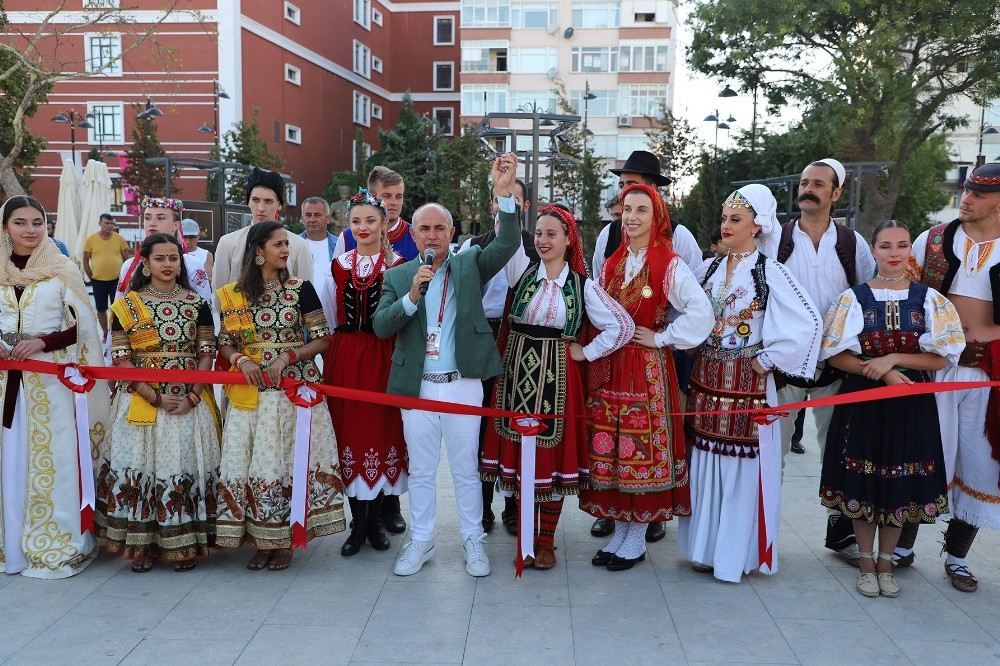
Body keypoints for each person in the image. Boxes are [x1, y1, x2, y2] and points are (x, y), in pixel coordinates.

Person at [373, 152, 523, 578]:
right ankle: (421, 540)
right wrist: (411, 298)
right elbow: (383, 327)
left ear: (452, 233)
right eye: (425, 228)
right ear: (413, 235)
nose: (433, 235)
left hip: (462, 385)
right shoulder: (399, 276)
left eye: (441, 228)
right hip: (417, 387)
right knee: (421, 471)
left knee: (465, 470)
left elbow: (508, 244)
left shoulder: (469, 265)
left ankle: (473, 539)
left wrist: (503, 194)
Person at [679, 184, 822, 582]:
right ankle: (704, 549)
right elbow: (686, 311)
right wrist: (690, 340)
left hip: (747, 382)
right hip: (707, 379)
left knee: (741, 466)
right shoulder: (707, 268)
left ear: (757, 225)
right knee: (705, 459)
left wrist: (769, 358)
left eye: (735, 219)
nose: (725, 225)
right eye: (724, 218)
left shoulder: (769, 271)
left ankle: (735, 556)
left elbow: (809, 322)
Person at [481, 204, 633, 570]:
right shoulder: (523, 272)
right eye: (539, 234)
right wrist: (504, 194)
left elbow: (622, 326)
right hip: (516, 377)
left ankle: (546, 540)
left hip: (558, 381)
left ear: (569, 240)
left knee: (549, 459)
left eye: (552, 234)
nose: (543, 240)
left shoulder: (583, 286)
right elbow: (508, 234)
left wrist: (586, 351)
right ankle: (525, 537)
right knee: (520, 456)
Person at [819, 220, 963, 597]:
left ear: (909, 252)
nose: (895, 253)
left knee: (899, 480)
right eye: (886, 246)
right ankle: (866, 562)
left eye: (901, 246)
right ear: (874, 249)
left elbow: (941, 359)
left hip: (909, 404)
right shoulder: (854, 298)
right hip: (863, 403)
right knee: (864, 480)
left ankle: (887, 564)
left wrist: (895, 358)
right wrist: (882, 374)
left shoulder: (929, 299)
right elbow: (835, 355)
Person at [580, 183, 714, 571]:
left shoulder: (669, 263)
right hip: (613, 364)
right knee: (615, 449)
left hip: (647, 368)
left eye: (641, 210)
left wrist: (664, 337)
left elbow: (700, 312)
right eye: (627, 210)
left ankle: (636, 538)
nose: (632, 217)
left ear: (656, 218)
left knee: (639, 449)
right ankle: (621, 532)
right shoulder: (612, 262)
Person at [760, 158, 876, 563]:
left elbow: (866, 293)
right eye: (805, 183)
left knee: (836, 450)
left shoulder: (852, 243)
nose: (808, 189)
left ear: (836, 193)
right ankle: (763, 535)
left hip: (835, 364)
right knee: (772, 450)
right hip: (782, 366)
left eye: (818, 184)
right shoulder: (774, 239)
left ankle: (840, 534)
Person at [215, 221, 345, 571]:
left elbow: (322, 338)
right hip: (249, 390)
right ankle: (260, 538)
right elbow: (224, 342)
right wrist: (240, 359)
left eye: (286, 244)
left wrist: (289, 356)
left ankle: (285, 539)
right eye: (278, 245)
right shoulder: (233, 293)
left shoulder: (301, 289)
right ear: (259, 252)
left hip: (292, 389)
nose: (286, 250)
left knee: (286, 460)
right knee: (251, 461)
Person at [97, 233, 221, 573]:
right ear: (145, 263)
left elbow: (206, 354)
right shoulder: (127, 305)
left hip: (188, 400)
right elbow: (121, 358)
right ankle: (142, 545)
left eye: (173, 259)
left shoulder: (197, 303)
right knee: (141, 470)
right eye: (160, 258)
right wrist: (154, 396)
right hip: (141, 398)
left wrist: (193, 396)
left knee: (181, 468)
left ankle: (183, 544)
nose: (168, 265)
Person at [0, 195, 109, 578]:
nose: (30, 230)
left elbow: (83, 326)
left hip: (50, 383)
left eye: (37, 222)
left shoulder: (62, 268)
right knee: (7, 459)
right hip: (3, 383)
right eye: (20, 223)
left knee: (53, 458)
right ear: (5, 227)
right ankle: (8, 546)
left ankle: (53, 540)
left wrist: (44, 341)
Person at [904, 162, 1000, 592]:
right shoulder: (935, 240)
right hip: (936, 367)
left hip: (990, 373)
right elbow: (904, 297)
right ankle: (902, 545)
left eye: (979, 193)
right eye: (967, 189)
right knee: (925, 454)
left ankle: (958, 556)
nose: (967, 198)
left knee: (980, 465)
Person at [325, 190, 407, 557]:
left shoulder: (400, 264)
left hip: (382, 356)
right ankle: (358, 524)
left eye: (370, 220)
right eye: (356, 221)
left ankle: (374, 521)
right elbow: (330, 315)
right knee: (350, 433)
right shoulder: (339, 263)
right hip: (345, 359)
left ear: (384, 223)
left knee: (380, 431)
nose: (362, 227)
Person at [459, 177, 536, 537]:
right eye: (502, 198)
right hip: (483, 337)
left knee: (515, 421)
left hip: (519, 341)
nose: (508, 204)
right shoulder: (472, 246)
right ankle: (483, 505)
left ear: (523, 208)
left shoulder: (536, 249)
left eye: (516, 199)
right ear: (493, 205)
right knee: (480, 423)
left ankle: (513, 504)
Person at [212, 167, 314, 302]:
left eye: (268, 201)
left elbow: (306, 296)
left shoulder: (298, 245)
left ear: (279, 204)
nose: (261, 208)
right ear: (248, 202)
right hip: (237, 321)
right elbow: (219, 298)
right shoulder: (228, 243)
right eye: (255, 200)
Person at [116, 197, 213, 304]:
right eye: (147, 218)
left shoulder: (193, 265)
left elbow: (205, 305)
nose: (152, 223)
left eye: (161, 218)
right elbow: (119, 308)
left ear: (176, 225)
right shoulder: (129, 266)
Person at [335, 166, 419, 262]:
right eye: (387, 196)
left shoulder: (416, 236)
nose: (394, 202)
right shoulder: (347, 237)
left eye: (399, 196)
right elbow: (334, 274)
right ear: (371, 198)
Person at [84, 212, 129, 334]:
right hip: (98, 281)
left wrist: (126, 277)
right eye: (106, 223)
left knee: (118, 308)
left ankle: (116, 332)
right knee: (101, 309)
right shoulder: (91, 240)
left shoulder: (119, 239)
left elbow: (127, 259)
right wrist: (90, 277)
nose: (109, 226)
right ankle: (105, 332)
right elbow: (85, 259)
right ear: (100, 223)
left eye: (111, 223)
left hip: (116, 281)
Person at [299, 196, 339, 329]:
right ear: (302, 217)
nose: (312, 219)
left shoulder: (340, 245)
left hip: (333, 317)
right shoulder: (292, 245)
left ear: (327, 218)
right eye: (308, 215)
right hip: (301, 319)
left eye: (317, 215)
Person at [181, 218, 214, 283]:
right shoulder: (173, 253)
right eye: (184, 237)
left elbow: (210, 280)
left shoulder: (206, 254)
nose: (187, 241)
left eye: (191, 237)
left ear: (198, 236)